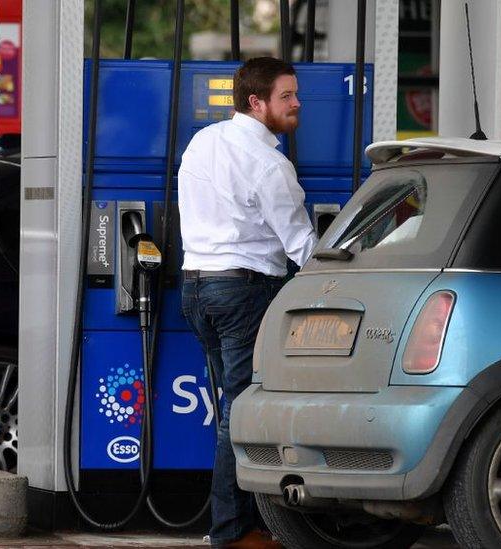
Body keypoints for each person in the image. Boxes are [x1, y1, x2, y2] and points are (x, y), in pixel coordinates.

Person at [178, 57, 317, 548]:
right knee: (241, 414)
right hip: (244, 291)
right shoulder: (269, 164)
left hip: (196, 286)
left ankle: (236, 526)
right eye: (287, 96)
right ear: (256, 103)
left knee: (231, 411)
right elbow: (301, 246)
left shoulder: (202, 141)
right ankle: (232, 533)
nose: (297, 103)